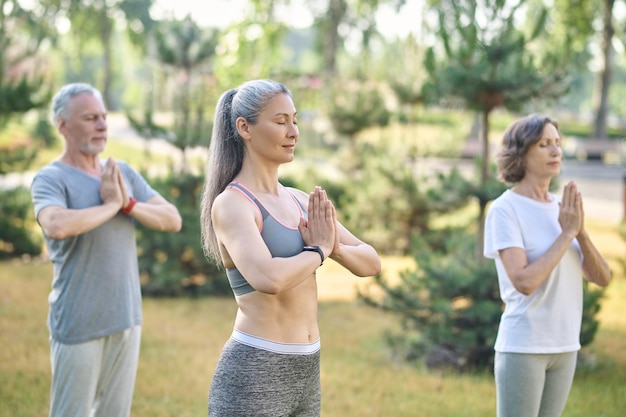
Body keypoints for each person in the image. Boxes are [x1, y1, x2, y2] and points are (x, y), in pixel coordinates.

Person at [199, 79, 381, 417]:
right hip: (255, 369)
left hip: (307, 370)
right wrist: (319, 251)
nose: (293, 131)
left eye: (295, 120)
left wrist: (333, 246)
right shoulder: (233, 205)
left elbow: (371, 262)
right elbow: (267, 278)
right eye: (280, 121)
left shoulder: (299, 200)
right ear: (244, 128)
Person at [30, 82, 182, 417]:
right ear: (63, 125)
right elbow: (56, 224)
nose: (101, 125)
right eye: (89, 118)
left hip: (126, 316)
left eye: (103, 117)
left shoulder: (121, 173)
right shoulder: (51, 178)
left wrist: (128, 203)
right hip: (79, 322)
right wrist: (111, 205)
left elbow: (172, 218)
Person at [483, 113, 611, 417]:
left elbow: (602, 277)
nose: (556, 151)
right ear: (521, 153)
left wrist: (579, 230)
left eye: (558, 143)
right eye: (544, 144)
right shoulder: (505, 209)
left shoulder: (563, 208)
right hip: (524, 346)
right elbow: (524, 282)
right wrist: (567, 233)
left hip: (566, 345)